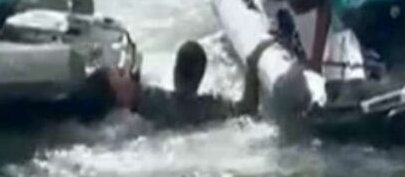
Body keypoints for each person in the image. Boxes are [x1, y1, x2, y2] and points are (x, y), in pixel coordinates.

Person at [69, 39, 272, 128]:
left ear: (176, 70)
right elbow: (247, 109)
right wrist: (252, 65)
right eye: (121, 75)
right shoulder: (201, 108)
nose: (125, 73)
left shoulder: (151, 102)